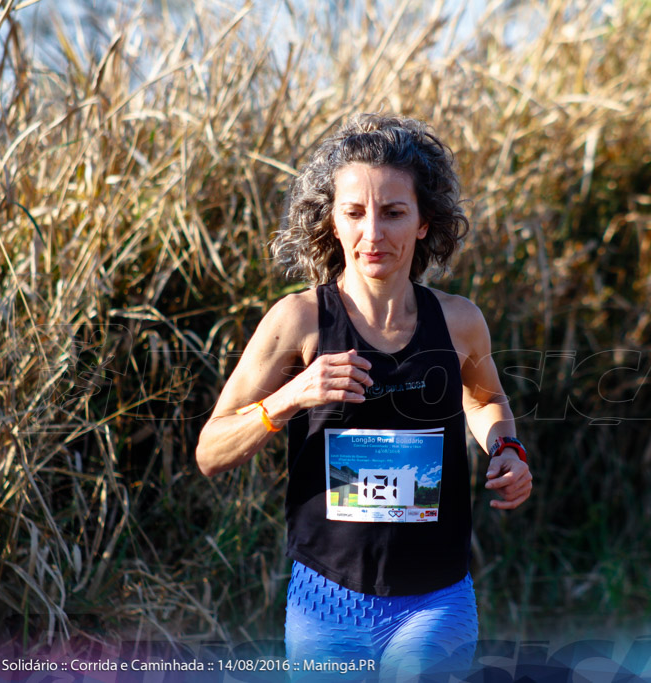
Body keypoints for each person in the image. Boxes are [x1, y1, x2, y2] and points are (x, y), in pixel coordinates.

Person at [196, 113, 533, 679]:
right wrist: (291, 397)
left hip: (436, 597)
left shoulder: (459, 322)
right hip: (326, 597)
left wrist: (507, 450)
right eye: (354, 213)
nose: (372, 234)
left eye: (394, 212)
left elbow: (486, 401)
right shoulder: (298, 321)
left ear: (425, 222)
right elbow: (211, 450)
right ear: (332, 221)